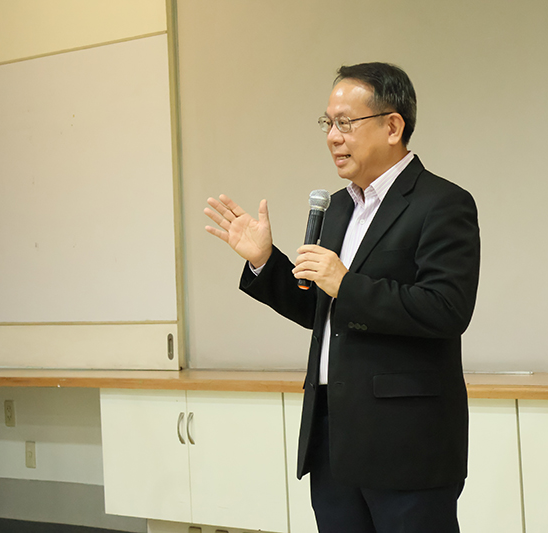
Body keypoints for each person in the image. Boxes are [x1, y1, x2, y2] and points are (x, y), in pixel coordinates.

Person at [204, 62, 480, 533]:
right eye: (327, 123)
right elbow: (323, 310)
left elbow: (446, 309)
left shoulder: (442, 203)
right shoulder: (338, 208)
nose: (333, 136)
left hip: (406, 445)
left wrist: (345, 282)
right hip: (333, 436)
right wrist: (265, 262)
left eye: (346, 123)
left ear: (393, 126)